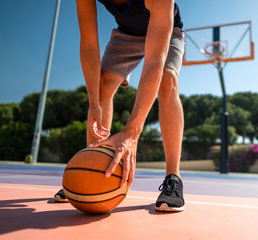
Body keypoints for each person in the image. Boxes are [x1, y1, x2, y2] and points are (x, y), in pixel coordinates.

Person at [54, 0, 185, 212]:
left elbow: (154, 62)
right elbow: (88, 43)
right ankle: (89, 170)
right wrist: (94, 100)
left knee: (167, 80)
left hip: (167, 31)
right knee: (102, 84)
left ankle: (174, 178)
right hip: (127, 34)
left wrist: (132, 131)